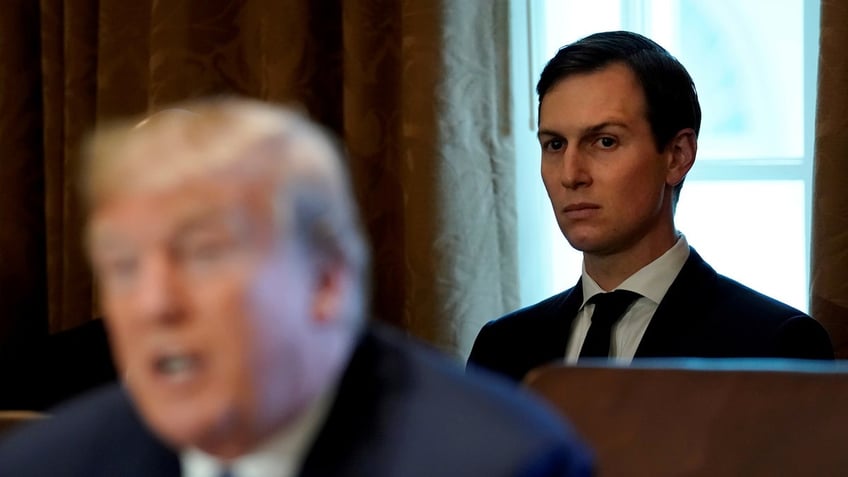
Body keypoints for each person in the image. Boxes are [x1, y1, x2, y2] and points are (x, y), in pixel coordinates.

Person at [0, 98, 592, 476]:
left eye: (204, 255)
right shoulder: (45, 464)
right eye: (123, 265)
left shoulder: (498, 462)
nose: (154, 303)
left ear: (327, 280)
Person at [467, 31, 834, 383]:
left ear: (677, 156)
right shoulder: (502, 347)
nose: (570, 174)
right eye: (555, 145)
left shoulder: (775, 345)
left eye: (605, 141)